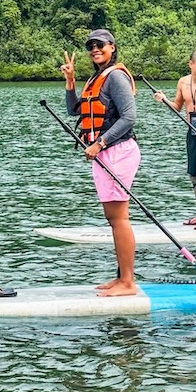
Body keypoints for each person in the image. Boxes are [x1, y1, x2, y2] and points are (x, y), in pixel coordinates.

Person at [60, 28, 141, 296]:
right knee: (113, 217)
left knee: (119, 218)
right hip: (104, 153)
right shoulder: (96, 78)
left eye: (100, 45)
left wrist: (100, 143)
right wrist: (70, 81)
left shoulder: (116, 77)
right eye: (91, 46)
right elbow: (75, 110)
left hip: (117, 151)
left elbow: (129, 117)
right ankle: (121, 278)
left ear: (112, 47)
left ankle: (128, 282)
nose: (95, 49)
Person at [154, 50, 196, 229]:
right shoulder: (183, 82)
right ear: (190, 64)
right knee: (194, 173)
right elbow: (177, 106)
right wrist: (164, 100)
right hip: (191, 132)